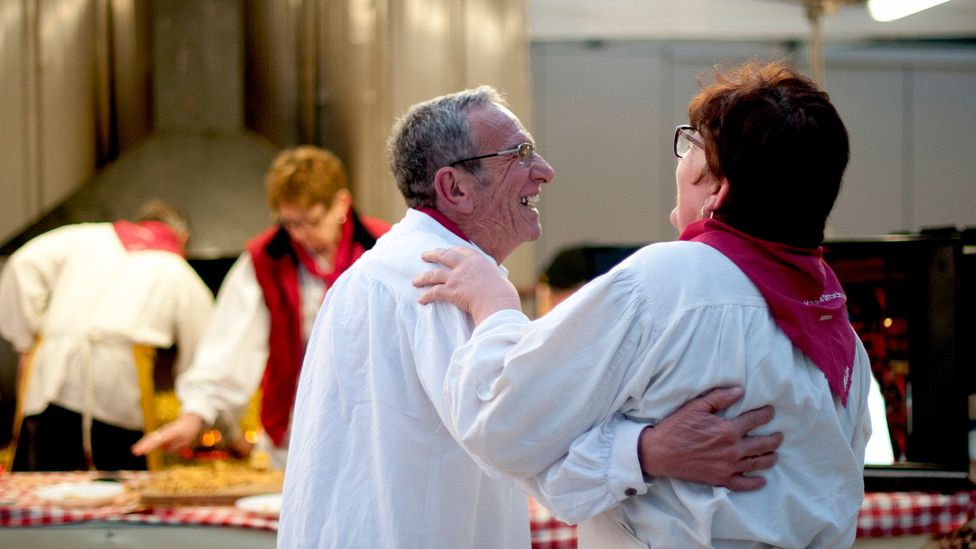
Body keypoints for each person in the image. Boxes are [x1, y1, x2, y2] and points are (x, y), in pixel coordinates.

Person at [277, 86, 783, 548]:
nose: (544, 170)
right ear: (454, 188)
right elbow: (518, 435)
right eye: (519, 154)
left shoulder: (403, 266)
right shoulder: (437, 277)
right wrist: (650, 451)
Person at [416, 61, 873, 547]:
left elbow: (502, 426)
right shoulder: (839, 333)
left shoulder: (668, 286)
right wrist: (644, 452)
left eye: (692, 145)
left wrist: (495, 307)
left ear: (717, 189)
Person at [132, 146, 390, 468]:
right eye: (289, 223)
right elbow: (229, 347)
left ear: (341, 203)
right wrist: (195, 414)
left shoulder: (385, 249)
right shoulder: (266, 259)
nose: (299, 234)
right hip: (294, 434)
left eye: (310, 221)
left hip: (376, 433)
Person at [0, 200, 213, 471]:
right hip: (115, 389)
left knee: (46, 482)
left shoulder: (87, 236)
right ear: (183, 239)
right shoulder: (178, 270)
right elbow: (208, 355)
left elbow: (21, 264)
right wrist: (222, 427)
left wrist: (26, 340)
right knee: (120, 488)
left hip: (50, 375)